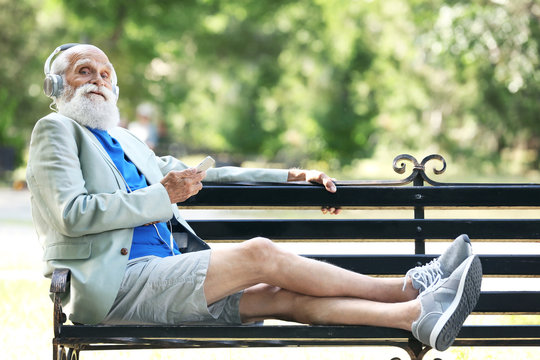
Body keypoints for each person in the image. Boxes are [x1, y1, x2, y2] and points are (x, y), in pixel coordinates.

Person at [27, 43, 482, 352]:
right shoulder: (56, 131)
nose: (97, 79)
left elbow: (206, 173)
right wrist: (160, 197)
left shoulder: (126, 141)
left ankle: (415, 316)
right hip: (116, 284)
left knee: (281, 296)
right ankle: (409, 286)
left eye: (105, 73)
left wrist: (290, 174)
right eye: (82, 70)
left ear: (115, 89)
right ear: (56, 86)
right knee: (259, 254)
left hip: (165, 278)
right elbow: (72, 214)